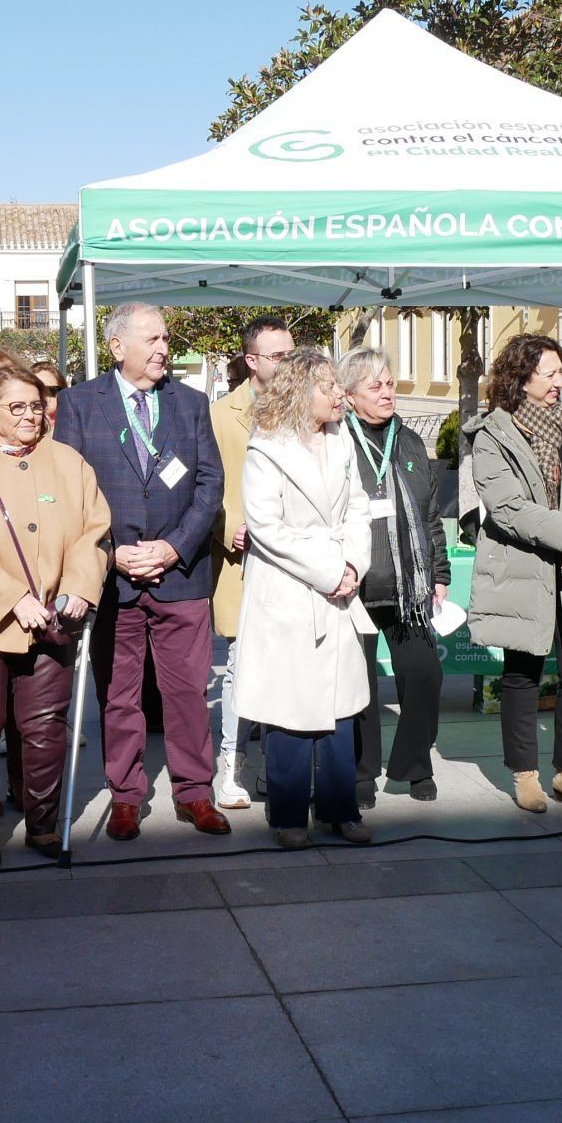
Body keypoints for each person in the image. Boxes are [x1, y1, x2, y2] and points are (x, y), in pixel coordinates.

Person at [53, 301, 229, 841]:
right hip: (113, 578)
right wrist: (111, 552)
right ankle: (126, 796)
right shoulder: (79, 403)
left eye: (165, 339)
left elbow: (210, 484)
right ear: (116, 346)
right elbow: (69, 493)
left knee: (187, 693)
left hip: (181, 576)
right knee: (119, 696)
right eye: (151, 339)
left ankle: (195, 792)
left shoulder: (191, 403)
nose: (163, 349)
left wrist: (174, 548)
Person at [0, 358, 108, 870]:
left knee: (45, 726)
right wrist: (12, 598)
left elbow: (94, 533)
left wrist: (79, 587)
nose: (31, 415)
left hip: (53, 619)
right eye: (16, 407)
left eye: (36, 405)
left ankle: (43, 824)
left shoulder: (71, 464)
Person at [469, 332, 562, 815]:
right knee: (522, 674)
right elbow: (508, 508)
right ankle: (526, 776)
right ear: (521, 378)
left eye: (561, 372)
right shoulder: (491, 434)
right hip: (523, 565)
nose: (560, 382)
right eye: (549, 374)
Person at [236, 350, 376, 847]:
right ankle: (289, 817)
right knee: (290, 710)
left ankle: (341, 810)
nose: (340, 395)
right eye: (328, 386)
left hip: (338, 590)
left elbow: (358, 507)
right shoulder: (266, 448)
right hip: (290, 591)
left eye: (338, 385)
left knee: (339, 708)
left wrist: (353, 565)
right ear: (299, 392)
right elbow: (266, 528)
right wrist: (328, 571)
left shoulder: (341, 439)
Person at [335, 346, 448, 804]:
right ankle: (361, 774)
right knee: (358, 685)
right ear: (348, 396)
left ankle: (413, 765)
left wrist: (439, 573)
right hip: (356, 585)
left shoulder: (411, 442)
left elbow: (431, 516)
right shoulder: (335, 440)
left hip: (408, 588)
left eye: (389, 384)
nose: (387, 393)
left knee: (424, 675)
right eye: (374, 386)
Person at [210, 314, 295, 808]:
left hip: (295, 562)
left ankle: (274, 769)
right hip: (242, 561)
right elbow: (206, 488)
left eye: (291, 353)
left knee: (286, 668)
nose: (287, 363)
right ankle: (232, 766)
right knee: (241, 667)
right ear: (252, 361)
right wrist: (230, 528)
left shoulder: (305, 409)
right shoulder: (221, 416)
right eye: (278, 356)